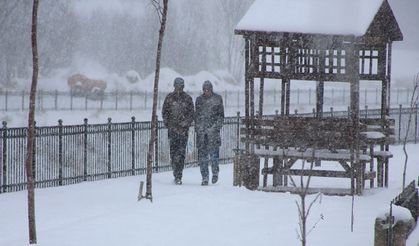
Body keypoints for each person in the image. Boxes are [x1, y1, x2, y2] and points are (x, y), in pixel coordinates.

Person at [162, 77, 194, 185]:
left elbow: (191, 114)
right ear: (174, 86)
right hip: (172, 130)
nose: (178, 89)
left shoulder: (188, 99)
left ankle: (179, 175)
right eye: (177, 87)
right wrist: (169, 124)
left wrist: (185, 124)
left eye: (180, 87)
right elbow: (164, 113)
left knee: (181, 153)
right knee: (173, 153)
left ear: (183, 87)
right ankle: (175, 172)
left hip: (183, 131)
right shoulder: (169, 98)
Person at [195, 80, 224, 186]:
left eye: (208, 90)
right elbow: (197, 117)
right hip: (202, 134)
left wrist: (214, 128)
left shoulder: (217, 99)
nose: (206, 92)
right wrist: (199, 128)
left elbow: (221, 117)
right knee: (202, 158)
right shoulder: (199, 100)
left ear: (211, 89)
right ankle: (205, 177)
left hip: (213, 134)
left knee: (214, 157)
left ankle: (215, 172)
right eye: (205, 90)